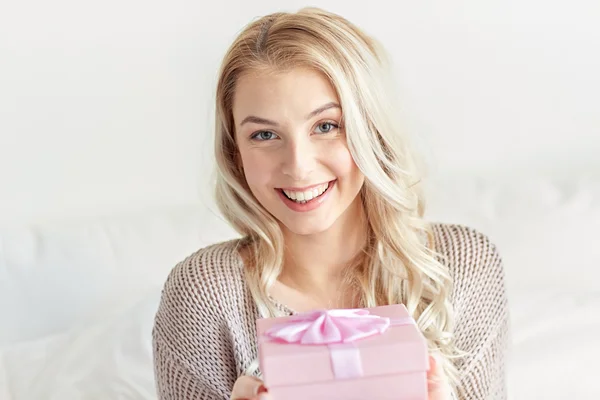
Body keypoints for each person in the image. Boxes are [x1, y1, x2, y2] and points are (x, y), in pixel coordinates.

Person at [152, 7, 509, 400]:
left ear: (370, 130)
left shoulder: (461, 269)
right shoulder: (204, 295)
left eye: (326, 126)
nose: (299, 167)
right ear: (234, 150)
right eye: (265, 135)